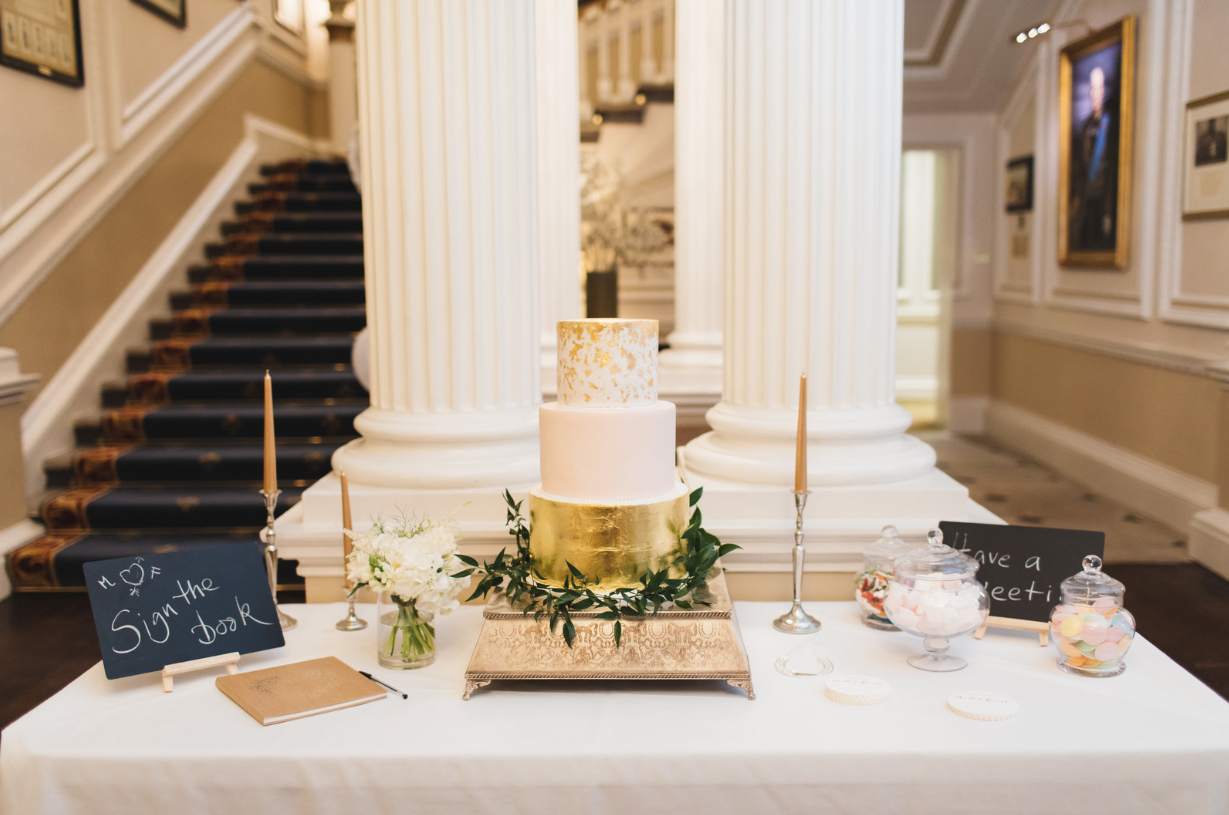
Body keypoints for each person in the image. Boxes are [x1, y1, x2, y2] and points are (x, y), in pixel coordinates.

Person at [1068, 65, 1118, 253]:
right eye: (1093, 88)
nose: (1095, 93)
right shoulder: (1085, 125)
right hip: (1087, 193)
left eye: (1099, 88)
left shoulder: (1111, 124)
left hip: (1105, 193)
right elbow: (1078, 164)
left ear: (1104, 91)